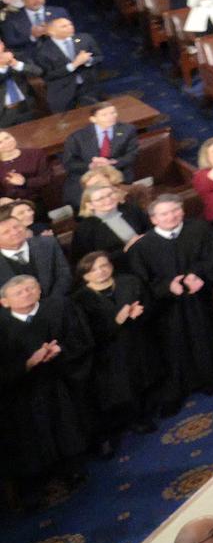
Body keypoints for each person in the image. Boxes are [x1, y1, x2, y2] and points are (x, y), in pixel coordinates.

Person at [0, 272, 93, 499]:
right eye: (19, 292)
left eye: (31, 288)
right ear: (4, 302)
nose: (27, 294)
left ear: (40, 290)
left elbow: (82, 338)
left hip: (60, 383)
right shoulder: (2, 327)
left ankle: (72, 470)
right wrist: (29, 363)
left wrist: (61, 350)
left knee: (66, 426)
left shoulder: (58, 308)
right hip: (23, 393)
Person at [128, 196, 213, 403]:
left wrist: (198, 276)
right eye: (164, 213)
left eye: (175, 210)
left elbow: (212, 258)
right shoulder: (142, 247)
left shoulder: (200, 229)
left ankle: (210, 378)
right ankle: (183, 384)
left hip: (198, 298)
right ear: (154, 219)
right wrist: (167, 287)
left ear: (182, 211)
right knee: (174, 343)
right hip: (168, 307)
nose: (171, 216)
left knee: (203, 335)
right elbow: (143, 282)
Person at [75, 249, 157, 440]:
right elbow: (86, 332)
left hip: (138, 340)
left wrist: (141, 313)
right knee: (124, 385)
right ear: (85, 275)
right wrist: (116, 322)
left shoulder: (129, 281)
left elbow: (151, 305)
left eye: (104, 265)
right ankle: (134, 418)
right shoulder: (80, 300)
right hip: (109, 352)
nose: (101, 271)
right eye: (94, 269)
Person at [71, 173, 149, 272]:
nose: (108, 200)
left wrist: (145, 238)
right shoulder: (85, 229)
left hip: (148, 254)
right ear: (90, 205)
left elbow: (150, 228)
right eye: (100, 199)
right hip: (119, 269)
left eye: (110, 194)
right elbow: (85, 261)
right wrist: (125, 250)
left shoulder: (131, 209)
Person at [0, 207, 70, 301]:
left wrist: (52, 302)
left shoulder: (47, 243)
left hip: (57, 303)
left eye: (17, 227)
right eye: (6, 232)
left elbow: (63, 273)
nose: (15, 232)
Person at [62, 99, 139, 179]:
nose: (110, 117)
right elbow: (69, 163)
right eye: (104, 115)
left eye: (113, 113)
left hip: (118, 173)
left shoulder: (128, 130)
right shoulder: (77, 137)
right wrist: (90, 166)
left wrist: (112, 163)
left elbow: (132, 154)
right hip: (88, 176)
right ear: (93, 119)